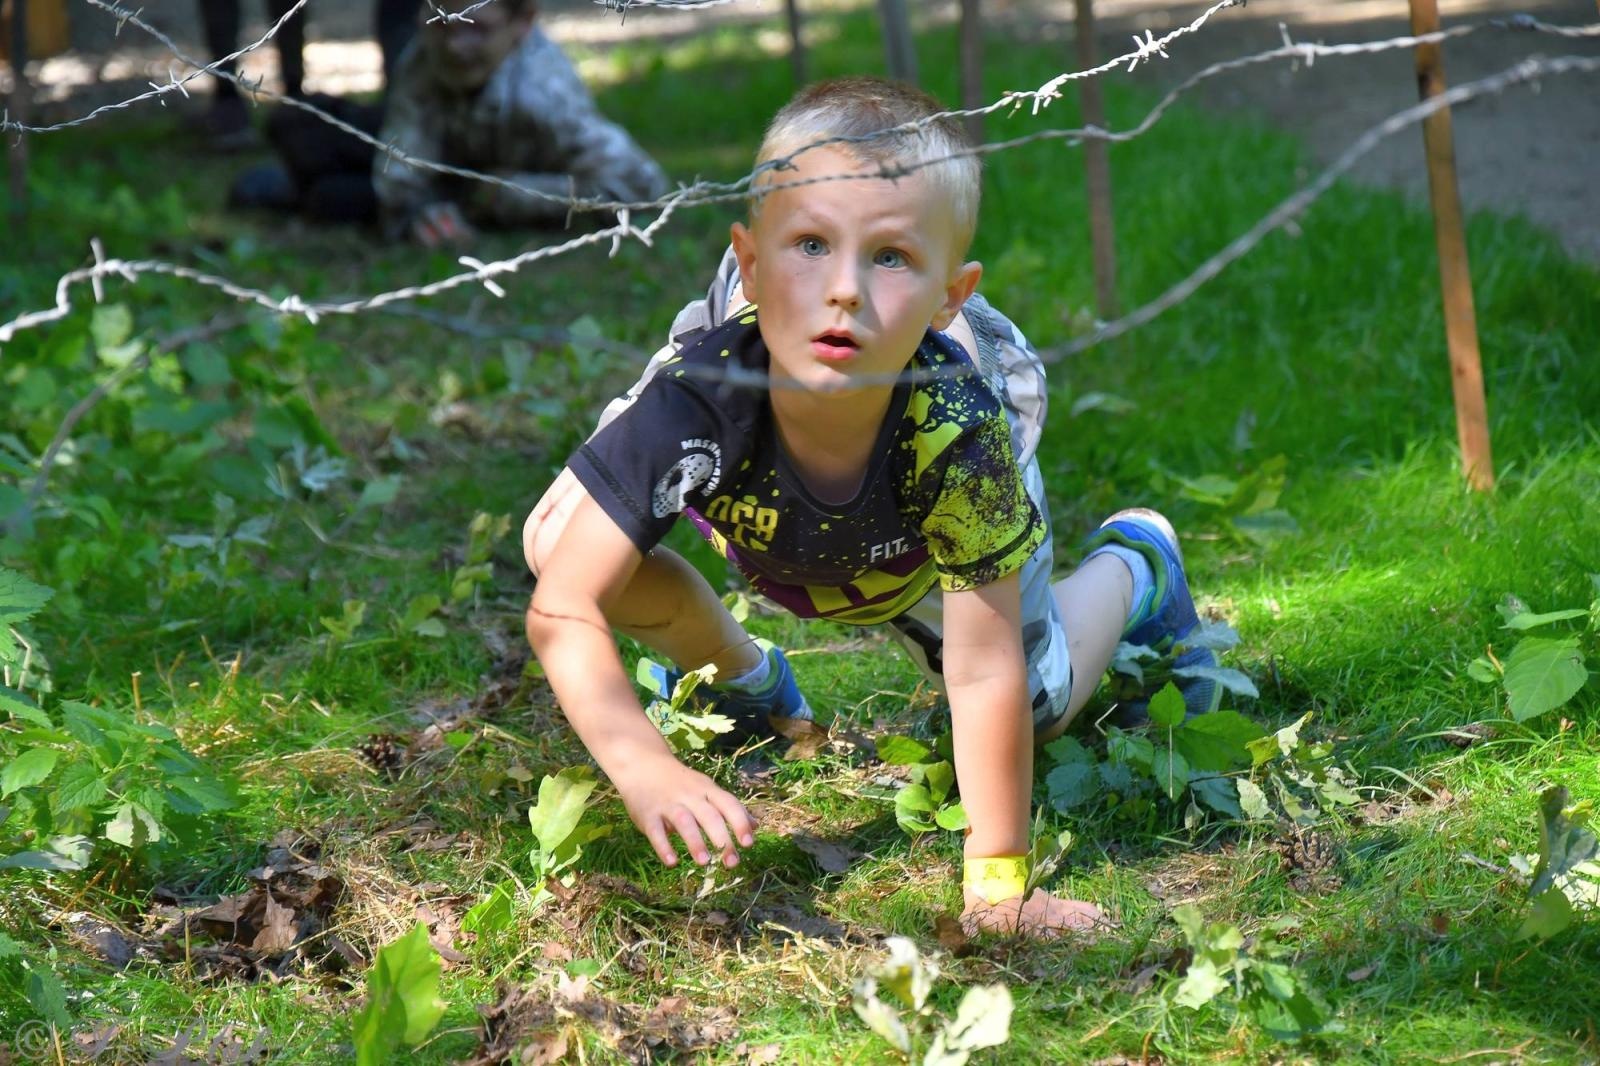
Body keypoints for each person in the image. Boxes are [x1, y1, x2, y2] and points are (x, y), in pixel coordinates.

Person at [519, 77, 1220, 938]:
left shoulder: (958, 433)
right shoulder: (703, 393)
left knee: (1029, 710)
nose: (844, 288)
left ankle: (1137, 567)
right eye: (809, 244)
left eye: (889, 257)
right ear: (748, 263)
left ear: (949, 296)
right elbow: (563, 608)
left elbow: (981, 668)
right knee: (562, 542)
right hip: (768, 510)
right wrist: (641, 765)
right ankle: (746, 684)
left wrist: (998, 889)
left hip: (916, 548)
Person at [372, 0, 669, 245]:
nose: (454, 46)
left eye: (476, 29)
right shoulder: (422, 60)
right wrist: (423, 218)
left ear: (523, 22)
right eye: (439, 24)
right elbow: (399, 184)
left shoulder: (545, 95)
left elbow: (640, 186)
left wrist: (511, 196)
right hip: (456, 162)